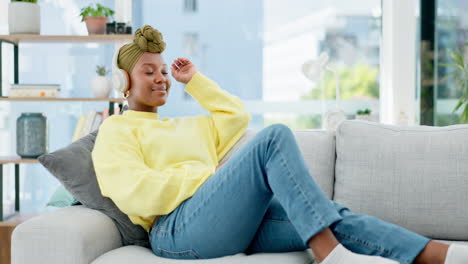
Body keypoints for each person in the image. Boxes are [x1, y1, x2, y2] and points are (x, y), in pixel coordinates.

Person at [91, 25, 468, 264]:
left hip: (221, 222)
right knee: (275, 138)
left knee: (328, 214)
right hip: (175, 232)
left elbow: (235, 118)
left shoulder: (188, 126)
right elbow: (137, 192)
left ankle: (444, 254)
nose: (161, 79)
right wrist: (207, 180)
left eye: (163, 71)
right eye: (148, 71)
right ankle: (329, 255)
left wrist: (195, 81)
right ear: (124, 79)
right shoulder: (118, 130)